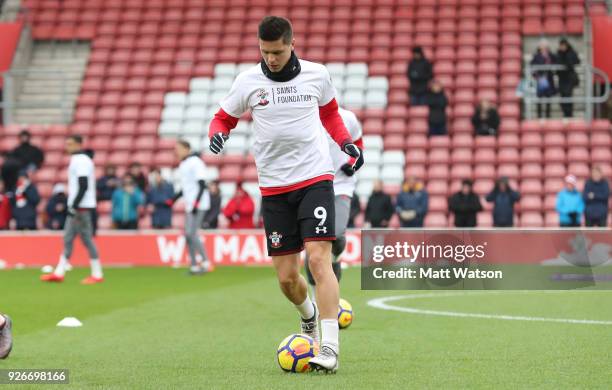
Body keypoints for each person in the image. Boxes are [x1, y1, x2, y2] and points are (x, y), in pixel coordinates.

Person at [208, 16, 363, 372]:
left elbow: (332, 116)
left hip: (315, 179)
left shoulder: (317, 75)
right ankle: (307, 317)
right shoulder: (248, 81)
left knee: (319, 260)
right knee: (287, 279)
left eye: (277, 51)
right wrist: (217, 133)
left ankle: (330, 349)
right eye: (265, 52)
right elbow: (222, 118)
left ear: (291, 44)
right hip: (275, 189)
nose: (271, 59)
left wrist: (346, 144)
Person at [305, 106, 363, 292]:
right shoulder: (304, 118)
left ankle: (336, 258)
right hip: (312, 185)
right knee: (313, 244)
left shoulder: (348, 118)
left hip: (341, 185)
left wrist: (352, 164)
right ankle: (316, 299)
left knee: (337, 234)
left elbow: (358, 143)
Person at [41, 135, 104, 284]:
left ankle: (96, 273)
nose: (67, 147)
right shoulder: (79, 160)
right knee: (69, 237)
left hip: (81, 206)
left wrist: (74, 205)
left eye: (70, 144)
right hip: (80, 205)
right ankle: (60, 271)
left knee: (85, 239)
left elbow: (83, 185)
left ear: (78, 144)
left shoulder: (81, 161)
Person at [168, 140, 212, 275]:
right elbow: (186, 187)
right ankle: (193, 265)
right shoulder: (183, 164)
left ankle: (205, 262)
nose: (176, 151)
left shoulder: (195, 162)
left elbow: (202, 184)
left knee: (191, 233)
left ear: (187, 148)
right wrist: (173, 199)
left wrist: (196, 203)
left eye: (179, 148)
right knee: (188, 235)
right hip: (190, 204)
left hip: (199, 204)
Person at [530, 38, 557, 119]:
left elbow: (556, 61)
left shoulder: (551, 55)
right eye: (542, 46)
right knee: (539, 98)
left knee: (548, 98)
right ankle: (539, 116)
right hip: (540, 79)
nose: (544, 47)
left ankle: (548, 116)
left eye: (545, 46)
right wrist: (536, 76)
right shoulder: (536, 56)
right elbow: (532, 66)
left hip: (549, 79)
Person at [556, 38, 580, 118]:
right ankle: (565, 114)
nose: (562, 47)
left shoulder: (571, 52)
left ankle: (569, 114)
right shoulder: (558, 53)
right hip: (562, 79)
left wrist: (567, 61)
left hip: (569, 79)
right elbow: (556, 62)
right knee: (562, 97)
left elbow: (577, 61)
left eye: (563, 45)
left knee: (568, 96)